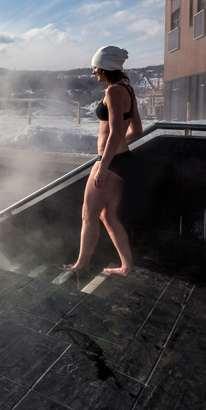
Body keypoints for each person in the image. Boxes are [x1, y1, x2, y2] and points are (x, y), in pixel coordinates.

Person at [66, 46, 142, 277]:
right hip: (122, 161)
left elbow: (117, 130)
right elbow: (136, 130)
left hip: (111, 164)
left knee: (88, 215)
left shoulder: (113, 92)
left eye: (95, 67)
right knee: (107, 216)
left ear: (106, 67)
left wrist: (104, 165)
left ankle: (82, 265)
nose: (93, 72)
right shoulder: (127, 90)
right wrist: (117, 149)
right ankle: (126, 267)